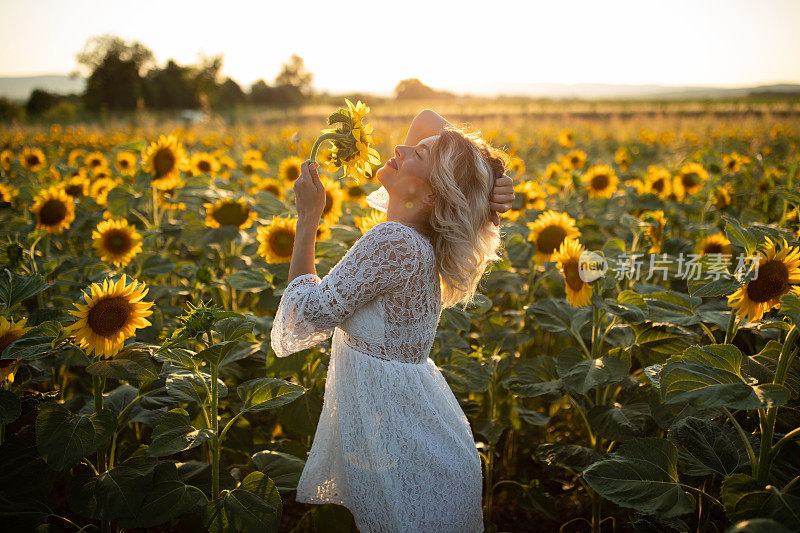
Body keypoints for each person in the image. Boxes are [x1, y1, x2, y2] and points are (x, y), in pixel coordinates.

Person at [270, 108, 515, 532]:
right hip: (414, 436)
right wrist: (490, 173)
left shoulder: (395, 241)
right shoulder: (419, 238)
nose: (400, 146)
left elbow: (304, 316)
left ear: (430, 195)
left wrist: (308, 217)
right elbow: (426, 118)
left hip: (400, 444)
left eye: (417, 154)